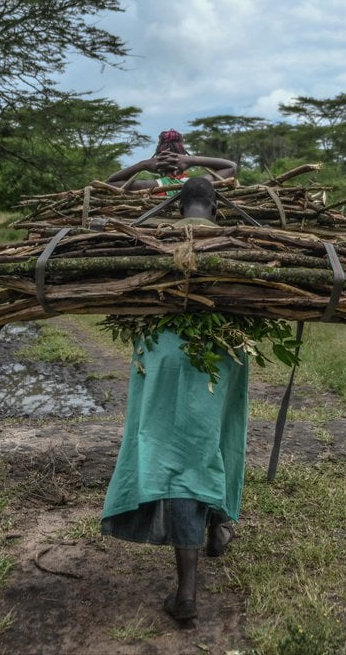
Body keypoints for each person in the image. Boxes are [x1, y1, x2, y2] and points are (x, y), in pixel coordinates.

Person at [100, 177, 249, 624]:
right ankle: (189, 587)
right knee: (212, 440)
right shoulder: (240, 241)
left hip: (161, 351)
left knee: (171, 447)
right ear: (214, 207)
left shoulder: (154, 238)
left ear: (178, 206)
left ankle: (214, 530)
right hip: (221, 354)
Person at [105, 129, 237, 193]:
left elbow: (109, 184)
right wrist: (192, 160)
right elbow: (231, 167)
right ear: (183, 155)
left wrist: (143, 165)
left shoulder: (148, 186)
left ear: (157, 158)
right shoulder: (199, 183)